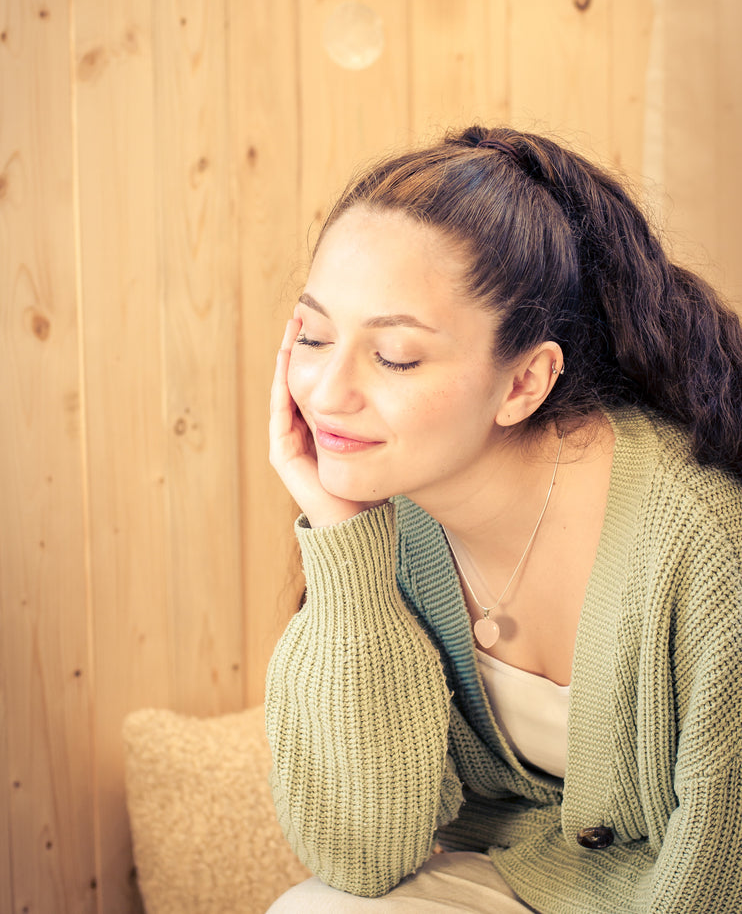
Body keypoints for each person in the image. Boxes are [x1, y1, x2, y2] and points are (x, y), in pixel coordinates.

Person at [264, 126, 742, 913]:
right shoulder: (394, 508)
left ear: (525, 382)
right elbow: (357, 855)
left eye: (395, 357)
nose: (326, 389)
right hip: (536, 880)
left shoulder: (700, 541)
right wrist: (342, 541)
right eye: (313, 335)